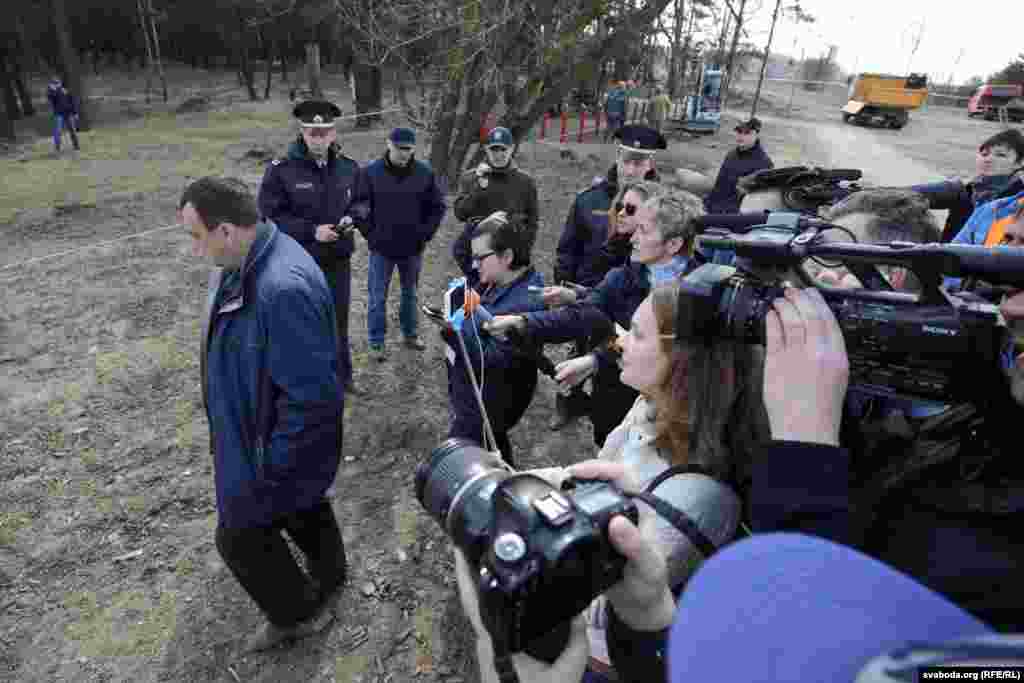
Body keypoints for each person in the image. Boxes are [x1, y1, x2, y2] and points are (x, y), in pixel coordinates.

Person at [183, 177, 347, 652]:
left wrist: (272, 468)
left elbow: (314, 398)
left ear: (229, 231)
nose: (196, 251)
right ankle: (332, 574)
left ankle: (298, 614)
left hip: (265, 446)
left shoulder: (281, 288)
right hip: (252, 428)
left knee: (237, 537)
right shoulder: (242, 263)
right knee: (305, 503)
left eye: (198, 237)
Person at [487, 188, 703, 448]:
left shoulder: (701, 296)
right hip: (617, 402)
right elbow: (586, 316)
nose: (632, 237)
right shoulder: (625, 276)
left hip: (672, 417)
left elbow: (661, 351)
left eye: (644, 231)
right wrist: (523, 322)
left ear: (673, 244)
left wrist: (595, 360)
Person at [549, 125, 665, 431]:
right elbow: (568, 246)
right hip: (587, 291)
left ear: (650, 164)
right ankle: (569, 405)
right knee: (577, 351)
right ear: (617, 157)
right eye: (627, 160)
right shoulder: (590, 198)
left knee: (618, 361)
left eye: (639, 162)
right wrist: (563, 281)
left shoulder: (662, 208)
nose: (631, 169)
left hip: (629, 303)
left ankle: (615, 419)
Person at [258, 100, 366, 394]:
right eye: (312, 133)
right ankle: (306, 382)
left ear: (333, 133)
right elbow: (270, 216)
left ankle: (342, 377)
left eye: (324, 132)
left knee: (338, 320)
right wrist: (311, 231)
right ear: (302, 133)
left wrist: (352, 217)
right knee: (302, 323)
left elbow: (362, 201)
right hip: (299, 262)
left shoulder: (348, 168)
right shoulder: (282, 170)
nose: (318, 138)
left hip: (337, 259)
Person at [443, 212, 544, 468]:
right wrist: (477, 225)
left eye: (480, 258)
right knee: (494, 451)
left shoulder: (525, 304)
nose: (474, 266)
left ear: (507, 256)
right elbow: (462, 253)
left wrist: (455, 325)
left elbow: (492, 359)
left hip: (487, 407)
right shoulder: (496, 278)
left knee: (458, 465)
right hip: (474, 397)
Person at [356, 127, 447, 361]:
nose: (404, 153)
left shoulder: (424, 173)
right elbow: (360, 207)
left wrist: (424, 234)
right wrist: (371, 235)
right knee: (377, 297)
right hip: (381, 249)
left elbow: (437, 207)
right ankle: (376, 342)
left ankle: (410, 334)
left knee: (410, 294)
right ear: (389, 144)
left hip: (411, 249)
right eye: (399, 148)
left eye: (408, 149)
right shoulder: (370, 173)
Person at [451, 127, 539, 282]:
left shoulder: (525, 182)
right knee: (478, 300)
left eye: (503, 149)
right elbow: (460, 214)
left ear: (512, 148)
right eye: (494, 149)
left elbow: (532, 222)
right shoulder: (471, 177)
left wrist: (522, 255)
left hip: (508, 258)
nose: (498, 154)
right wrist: (479, 187)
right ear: (486, 149)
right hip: (476, 256)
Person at [912, 128, 1024, 242]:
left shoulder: (1018, 200)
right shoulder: (965, 190)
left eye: (1000, 155)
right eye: (984, 154)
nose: (988, 159)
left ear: (1020, 163)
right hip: (950, 257)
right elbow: (911, 194)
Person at [704, 117, 774, 214]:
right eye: (739, 132)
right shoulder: (731, 155)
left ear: (756, 135)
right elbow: (719, 186)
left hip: (735, 215)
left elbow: (758, 202)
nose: (741, 136)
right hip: (715, 207)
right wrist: (708, 204)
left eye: (747, 133)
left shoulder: (764, 163)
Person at [47, 76, 80, 154]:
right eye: (55, 83)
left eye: (58, 83)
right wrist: (53, 89)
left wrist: (75, 112)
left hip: (68, 113)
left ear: (60, 83)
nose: (57, 85)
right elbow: (51, 98)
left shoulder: (65, 90)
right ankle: (57, 148)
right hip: (58, 114)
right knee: (57, 131)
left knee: (72, 130)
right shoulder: (51, 92)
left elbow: (72, 101)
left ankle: (76, 146)